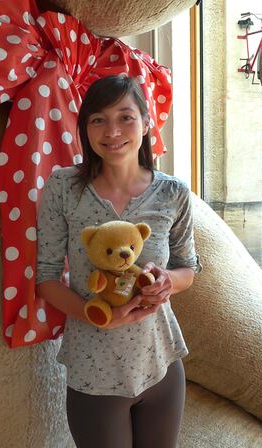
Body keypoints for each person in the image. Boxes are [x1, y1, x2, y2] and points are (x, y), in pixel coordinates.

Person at [36, 75, 201, 448]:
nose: (112, 130)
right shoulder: (63, 187)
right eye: (98, 119)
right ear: (84, 128)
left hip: (161, 366)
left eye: (126, 117)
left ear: (146, 122)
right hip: (95, 375)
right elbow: (46, 279)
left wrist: (168, 282)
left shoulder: (173, 193)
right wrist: (100, 315)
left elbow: (188, 267)